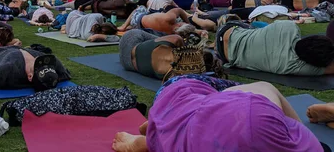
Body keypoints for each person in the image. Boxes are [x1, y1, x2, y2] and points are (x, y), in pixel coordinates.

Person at [112, 75, 323, 152]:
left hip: (178, 93)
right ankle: (157, 133)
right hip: (185, 119)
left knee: (264, 87)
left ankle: (158, 131)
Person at [216, 20, 334, 75]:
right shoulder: (291, 65)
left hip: (228, 30)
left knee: (258, 29)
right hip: (225, 55)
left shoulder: (289, 27)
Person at [118, 7, 193, 35]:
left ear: (180, 25)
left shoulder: (170, 18)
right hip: (140, 28)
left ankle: (124, 26)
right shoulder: (171, 34)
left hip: (136, 18)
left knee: (141, 7)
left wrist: (187, 22)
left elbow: (179, 10)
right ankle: (128, 27)